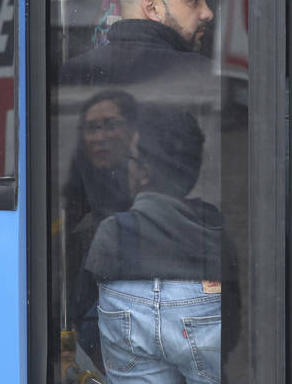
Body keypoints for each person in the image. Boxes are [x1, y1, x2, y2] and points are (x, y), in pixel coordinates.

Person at [85, 106, 238, 384]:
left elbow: (84, 305)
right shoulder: (215, 229)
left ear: (144, 173)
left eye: (129, 158)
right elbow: (235, 317)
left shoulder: (114, 232)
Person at [60, 0, 215, 86]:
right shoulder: (204, 76)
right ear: (153, 8)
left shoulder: (74, 74)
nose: (208, 13)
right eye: (194, 1)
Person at [62, 91, 137, 371]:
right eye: (92, 128)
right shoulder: (76, 202)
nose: (100, 136)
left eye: (111, 124)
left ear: (132, 131)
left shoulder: (147, 189)